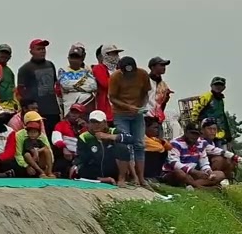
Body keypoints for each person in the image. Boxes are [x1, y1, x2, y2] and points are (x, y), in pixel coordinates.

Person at [107, 56, 152, 188]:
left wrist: (141, 107)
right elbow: (112, 98)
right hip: (121, 113)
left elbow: (145, 93)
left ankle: (141, 178)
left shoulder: (142, 74)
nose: (129, 75)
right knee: (125, 143)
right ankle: (131, 176)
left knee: (139, 144)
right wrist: (127, 107)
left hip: (137, 113)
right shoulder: (115, 77)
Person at [71, 110, 131, 185]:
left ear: (105, 123)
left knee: (123, 148)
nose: (95, 125)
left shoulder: (113, 131)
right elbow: (81, 156)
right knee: (77, 168)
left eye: (98, 122)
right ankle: (102, 179)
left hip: (112, 166)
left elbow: (131, 138)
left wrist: (109, 137)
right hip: (94, 167)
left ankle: (121, 179)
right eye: (92, 122)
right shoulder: (84, 137)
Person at [16, 39, 60, 132]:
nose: (42, 51)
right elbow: (20, 90)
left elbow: (55, 84)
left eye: (43, 49)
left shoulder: (50, 65)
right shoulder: (25, 68)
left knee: (54, 138)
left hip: (53, 110)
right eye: (39, 49)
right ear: (31, 51)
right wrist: (28, 108)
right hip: (37, 111)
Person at [163, 123, 225, 189]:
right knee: (179, 173)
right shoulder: (175, 143)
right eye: (192, 133)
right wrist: (193, 171)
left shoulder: (200, 144)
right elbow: (174, 163)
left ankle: (190, 185)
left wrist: (209, 172)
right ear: (185, 132)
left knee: (220, 175)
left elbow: (204, 163)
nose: (194, 136)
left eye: (197, 134)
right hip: (175, 173)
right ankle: (201, 187)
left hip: (192, 174)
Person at [192, 77, 236, 146]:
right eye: (216, 85)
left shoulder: (220, 100)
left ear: (224, 87)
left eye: (220, 85)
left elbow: (223, 117)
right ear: (211, 85)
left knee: (220, 153)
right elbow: (196, 111)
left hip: (218, 133)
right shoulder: (207, 96)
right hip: (207, 133)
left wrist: (228, 135)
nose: (218, 87)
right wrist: (195, 125)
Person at [58, 43, 99, 114]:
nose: (74, 60)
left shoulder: (86, 71)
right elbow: (65, 85)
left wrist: (73, 86)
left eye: (77, 57)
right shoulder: (63, 70)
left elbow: (93, 86)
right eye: (72, 57)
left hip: (86, 104)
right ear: (68, 58)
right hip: (69, 105)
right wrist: (82, 85)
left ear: (81, 59)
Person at [13, 111, 55, 178]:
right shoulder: (19, 135)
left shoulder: (42, 135)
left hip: (40, 162)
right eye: (36, 121)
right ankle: (41, 172)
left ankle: (49, 172)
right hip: (27, 162)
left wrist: (48, 166)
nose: (39, 123)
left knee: (46, 150)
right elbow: (18, 155)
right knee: (27, 155)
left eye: (39, 121)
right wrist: (27, 166)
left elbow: (49, 151)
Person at [51, 104, 86, 177]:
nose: (73, 114)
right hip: (64, 154)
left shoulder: (85, 127)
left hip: (79, 156)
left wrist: (84, 127)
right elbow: (56, 139)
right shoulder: (61, 124)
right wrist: (64, 148)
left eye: (76, 113)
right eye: (72, 112)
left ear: (81, 115)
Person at [91, 44, 123, 120]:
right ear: (105, 55)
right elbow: (106, 84)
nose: (115, 56)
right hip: (106, 109)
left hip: (120, 109)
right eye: (112, 53)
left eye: (116, 53)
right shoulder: (98, 68)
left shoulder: (120, 69)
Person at [147, 57, 173, 122]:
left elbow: (162, 104)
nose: (164, 67)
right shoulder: (145, 81)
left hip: (157, 119)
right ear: (152, 67)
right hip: (146, 118)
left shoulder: (163, 85)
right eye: (161, 65)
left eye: (164, 65)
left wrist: (165, 99)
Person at [0, 43, 17, 110]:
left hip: (10, 106)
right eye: (2, 53)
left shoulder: (10, 72)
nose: (4, 55)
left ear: (10, 57)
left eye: (7, 53)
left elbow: (13, 89)